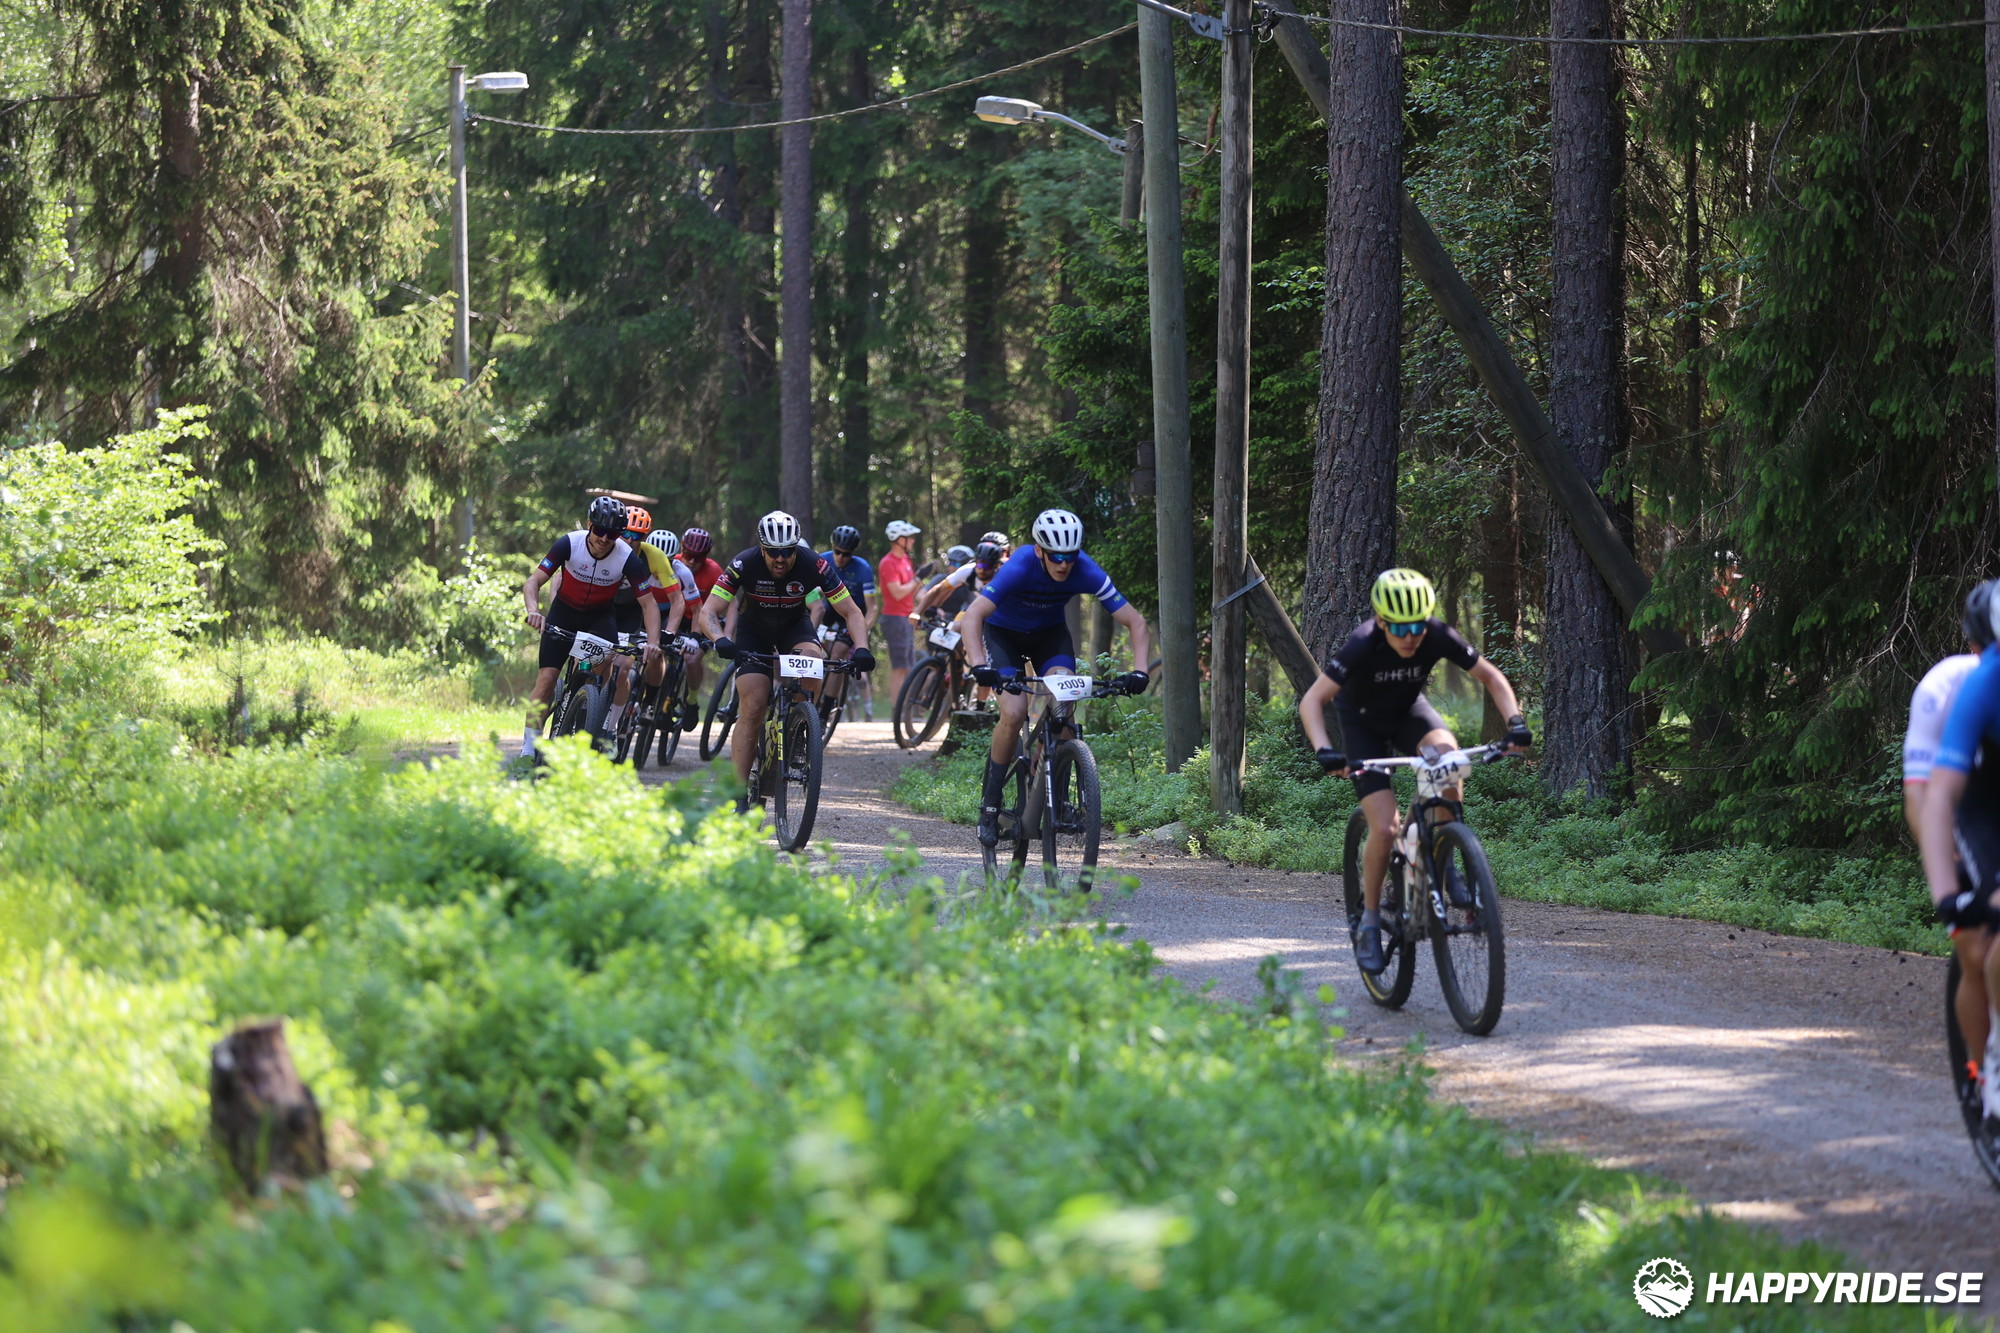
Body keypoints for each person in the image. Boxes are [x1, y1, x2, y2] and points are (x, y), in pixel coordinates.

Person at [1295, 568, 1532, 975]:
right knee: (1385, 828)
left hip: (1408, 713)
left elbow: (1491, 676)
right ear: (1381, 621)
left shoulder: (1436, 633)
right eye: (1400, 628)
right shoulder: (1361, 644)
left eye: (1418, 626)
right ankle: (1370, 922)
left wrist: (1516, 723)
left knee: (1449, 761)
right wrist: (1325, 750)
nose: (1411, 636)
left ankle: (1445, 859)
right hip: (1363, 725)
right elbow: (1312, 701)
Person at [958, 508, 1152, 849]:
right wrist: (978, 665)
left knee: (1064, 701)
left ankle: (1054, 788)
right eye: (1055, 556)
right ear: (1039, 551)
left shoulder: (1085, 569)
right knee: (1014, 712)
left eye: (1070, 556)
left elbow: (1135, 621)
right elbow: (973, 616)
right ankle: (990, 805)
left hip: (1049, 638)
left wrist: (1139, 670)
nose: (1064, 564)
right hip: (1004, 637)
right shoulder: (1020, 565)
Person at [696, 510, 873, 804]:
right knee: (753, 706)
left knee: (813, 663)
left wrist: (862, 647)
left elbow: (852, 611)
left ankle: (800, 728)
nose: (780, 559)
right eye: (773, 552)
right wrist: (721, 639)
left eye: (787, 552)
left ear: (795, 549)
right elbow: (708, 611)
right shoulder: (744, 562)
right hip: (754, 631)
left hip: (794, 628)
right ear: (762, 548)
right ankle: (738, 795)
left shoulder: (813, 563)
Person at [1917, 581, 2000, 1119]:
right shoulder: (1978, 684)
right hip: (1986, 809)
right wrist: (1947, 895)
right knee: (1984, 937)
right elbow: (1936, 796)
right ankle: (1990, 1065)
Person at [519, 496, 662, 761]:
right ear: (589, 524)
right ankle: (528, 750)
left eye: (613, 534)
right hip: (563, 614)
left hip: (600, 618)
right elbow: (533, 582)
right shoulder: (569, 543)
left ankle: (590, 714)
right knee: (547, 679)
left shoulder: (626, 557)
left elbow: (649, 603)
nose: (605, 538)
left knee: (602, 673)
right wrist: (534, 611)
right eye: (599, 530)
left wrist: (653, 642)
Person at [602, 506, 686, 747]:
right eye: (625, 534)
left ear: (645, 537)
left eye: (637, 536)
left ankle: (612, 729)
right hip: (603, 607)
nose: (630, 540)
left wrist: (669, 633)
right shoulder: (604, 546)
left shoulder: (654, 556)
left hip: (631, 612)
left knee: (623, 667)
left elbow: (677, 599)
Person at [677, 527, 726, 722]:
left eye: (699, 558)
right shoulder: (672, 563)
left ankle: (691, 699)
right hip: (678, 617)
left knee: (691, 660)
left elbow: (732, 605)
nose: (691, 561)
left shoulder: (714, 570)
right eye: (688, 555)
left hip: (702, 621)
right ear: (682, 550)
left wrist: (726, 635)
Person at [878, 520, 922, 701]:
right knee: (900, 666)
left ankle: (905, 706)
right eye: (909, 537)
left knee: (908, 666)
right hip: (895, 618)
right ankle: (897, 707)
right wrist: (917, 580)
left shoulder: (905, 560)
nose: (912, 541)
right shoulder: (888, 563)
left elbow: (914, 591)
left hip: (906, 617)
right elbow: (897, 593)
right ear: (898, 539)